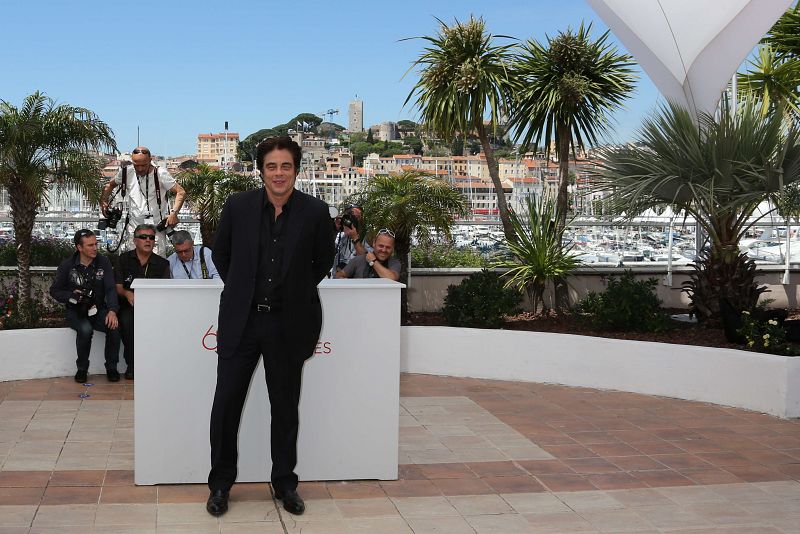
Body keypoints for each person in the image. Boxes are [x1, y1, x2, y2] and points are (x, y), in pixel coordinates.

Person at [206, 136, 334, 518]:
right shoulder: (238, 207)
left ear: (296, 169)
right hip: (241, 322)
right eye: (271, 166)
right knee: (225, 406)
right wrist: (243, 288)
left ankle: (284, 484)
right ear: (260, 170)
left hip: (288, 323)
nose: (279, 174)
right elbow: (221, 254)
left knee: (285, 409)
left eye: (286, 166)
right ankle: (220, 485)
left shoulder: (315, 211)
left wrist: (292, 292)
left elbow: (322, 261)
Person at [49, 229, 121, 383]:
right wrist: (71, 295)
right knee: (85, 329)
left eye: (96, 244)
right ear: (79, 248)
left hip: (98, 309)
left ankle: (111, 368)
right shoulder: (67, 265)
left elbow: (110, 288)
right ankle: (82, 368)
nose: (95, 248)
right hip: (75, 310)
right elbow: (54, 291)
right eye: (90, 245)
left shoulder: (104, 262)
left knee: (114, 326)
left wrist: (113, 311)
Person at [100, 146, 186, 254]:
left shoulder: (160, 173)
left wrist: (174, 213)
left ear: (150, 160)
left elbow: (180, 192)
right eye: (136, 165)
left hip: (156, 230)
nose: (140, 169)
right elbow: (110, 185)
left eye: (143, 165)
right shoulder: (127, 172)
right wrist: (103, 201)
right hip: (134, 229)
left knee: (157, 263)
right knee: (133, 263)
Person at [115, 223, 170, 379]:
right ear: (135, 240)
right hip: (129, 306)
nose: (148, 240)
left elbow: (165, 290)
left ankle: (154, 364)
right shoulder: (123, 259)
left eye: (151, 237)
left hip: (154, 307)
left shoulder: (162, 263)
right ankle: (132, 365)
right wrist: (127, 294)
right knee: (127, 323)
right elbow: (118, 286)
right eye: (143, 237)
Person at [335, 229, 401, 281]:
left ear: (393, 248)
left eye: (388, 247)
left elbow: (391, 278)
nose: (384, 250)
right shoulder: (359, 260)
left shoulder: (394, 263)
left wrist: (373, 261)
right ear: (374, 244)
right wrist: (342, 279)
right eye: (381, 246)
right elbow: (339, 274)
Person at [331, 205, 368, 276]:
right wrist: (335, 229)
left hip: (355, 280)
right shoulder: (341, 235)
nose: (352, 220)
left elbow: (366, 258)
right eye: (349, 217)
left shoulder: (367, 236)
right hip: (337, 277)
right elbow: (329, 250)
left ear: (362, 219)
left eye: (357, 217)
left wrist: (355, 238)